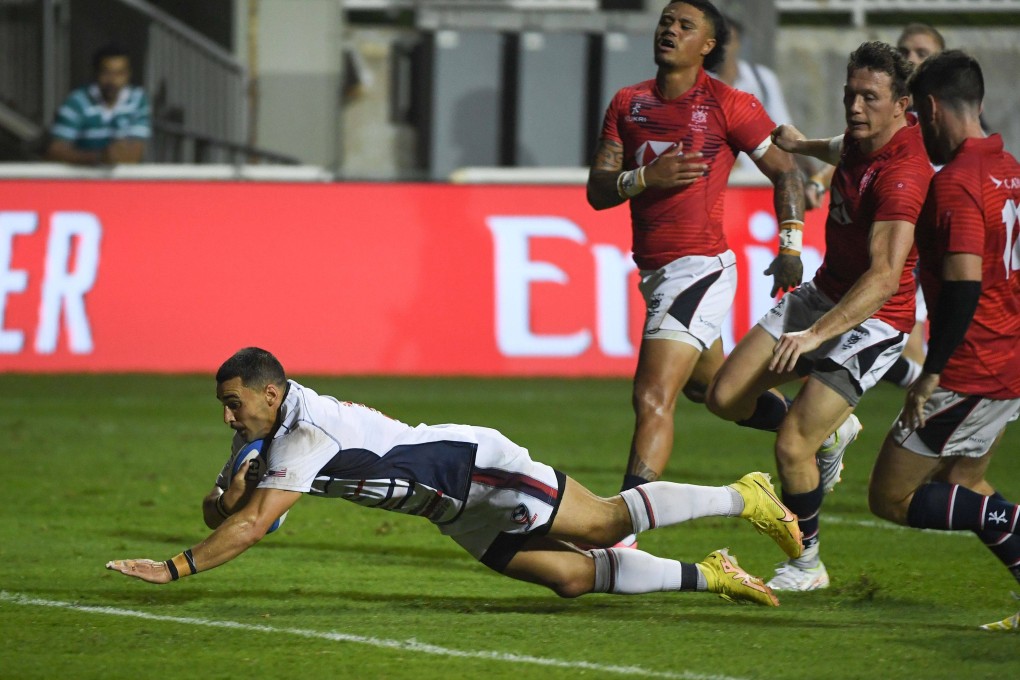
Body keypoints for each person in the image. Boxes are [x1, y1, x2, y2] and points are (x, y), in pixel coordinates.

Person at [106, 347, 803, 607]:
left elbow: (254, 525)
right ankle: (715, 574)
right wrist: (219, 498)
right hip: (450, 508)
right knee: (569, 578)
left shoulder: (304, 435)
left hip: (477, 469)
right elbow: (237, 512)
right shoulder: (272, 432)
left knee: (605, 524)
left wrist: (175, 569)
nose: (228, 418)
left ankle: (742, 494)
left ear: (270, 391)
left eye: (234, 404)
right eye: (223, 407)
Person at [705, 41, 934, 591]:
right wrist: (799, 143)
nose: (855, 107)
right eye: (850, 94)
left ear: (902, 105)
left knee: (791, 446)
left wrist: (813, 337)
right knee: (723, 396)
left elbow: (882, 278)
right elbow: (840, 147)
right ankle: (832, 434)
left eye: (869, 98)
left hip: (874, 319)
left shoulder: (904, 175)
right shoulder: (861, 138)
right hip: (823, 293)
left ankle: (807, 564)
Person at [586, 1, 806, 548]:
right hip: (657, 270)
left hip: (699, 267)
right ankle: (811, 423)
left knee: (651, 396)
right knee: (711, 391)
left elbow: (786, 171)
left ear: (707, 45)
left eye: (685, 26)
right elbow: (597, 190)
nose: (670, 30)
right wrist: (645, 177)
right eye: (666, 21)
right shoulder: (628, 103)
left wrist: (791, 243)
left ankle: (623, 536)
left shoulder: (729, 105)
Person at [866, 51, 1020, 631]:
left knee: (891, 497)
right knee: (965, 485)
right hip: (1008, 358)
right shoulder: (1010, 167)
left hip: (970, 368)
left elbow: (962, 290)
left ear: (930, 108)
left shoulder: (958, 182)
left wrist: (931, 371)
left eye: (918, 117)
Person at [45, 43, 150, 165]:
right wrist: (99, 157)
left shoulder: (137, 99)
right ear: (96, 73)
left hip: (124, 182)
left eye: (119, 73)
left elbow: (136, 153)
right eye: (107, 73)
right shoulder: (77, 101)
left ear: (128, 74)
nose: (112, 80)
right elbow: (55, 151)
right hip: (84, 181)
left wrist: (114, 156)